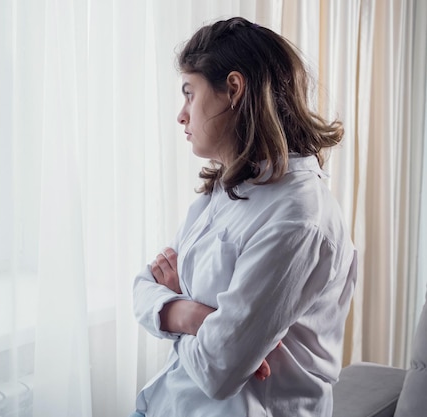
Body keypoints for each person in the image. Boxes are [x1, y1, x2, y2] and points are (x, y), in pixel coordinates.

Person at [132, 17, 357, 417]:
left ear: (233, 89)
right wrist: (196, 316)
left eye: (190, 94)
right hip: (166, 402)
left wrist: (177, 306)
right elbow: (143, 286)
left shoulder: (298, 219)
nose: (182, 115)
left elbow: (218, 370)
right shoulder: (224, 188)